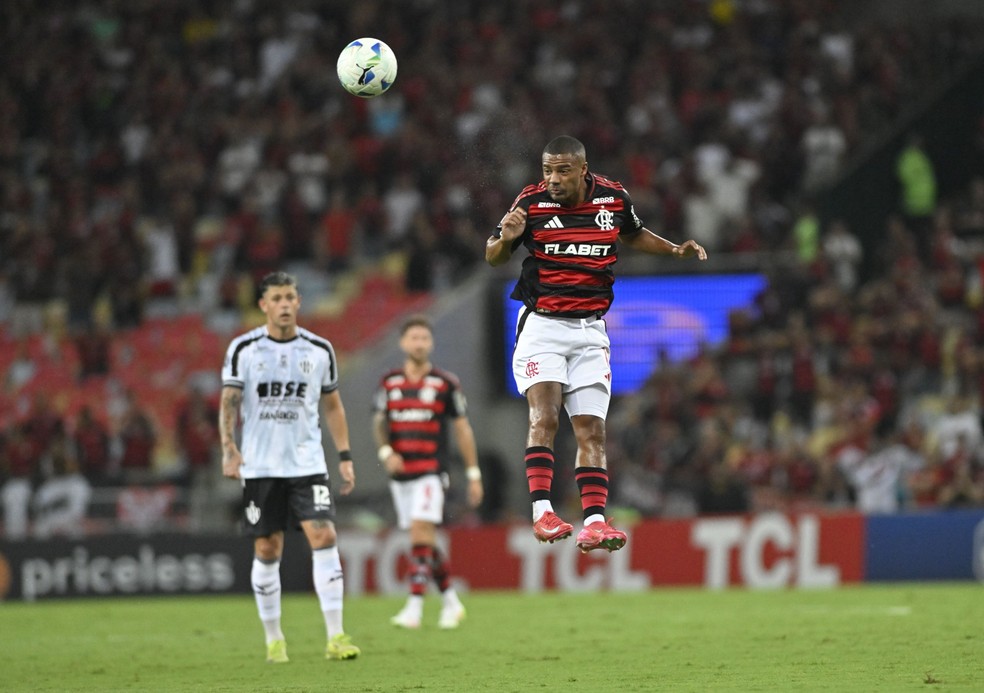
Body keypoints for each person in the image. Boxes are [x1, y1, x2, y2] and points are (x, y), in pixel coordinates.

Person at [485, 135, 707, 552]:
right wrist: (503, 240)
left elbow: (634, 233)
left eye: (562, 170)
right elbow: (494, 257)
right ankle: (542, 513)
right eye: (547, 170)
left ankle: (595, 522)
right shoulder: (529, 203)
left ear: (582, 170)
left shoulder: (612, 198)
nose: (552, 179)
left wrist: (675, 250)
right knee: (545, 417)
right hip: (543, 328)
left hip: (591, 330)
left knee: (593, 431)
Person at [219, 271, 360, 663]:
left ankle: (336, 636)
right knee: (268, 547)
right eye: (276, 298)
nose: (284, 304)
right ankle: (274, 638)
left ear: (298, 302)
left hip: (307, 462)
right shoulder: (243, 349)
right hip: (261, 466)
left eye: (289, 297)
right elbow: (229, 402)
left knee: (324, 535)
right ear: (263, 305)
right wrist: (229, 450)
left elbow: (332, 404)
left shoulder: (319, 350)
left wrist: (345, 455)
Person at [372, 314, 483, 629]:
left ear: (431, 343)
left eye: (424, 338)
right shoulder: (389, 382)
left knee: (421, 533)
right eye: (413, 338)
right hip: (401, 475)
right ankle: (450, 601)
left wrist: (473, 473)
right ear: (402, 343)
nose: (419, 343)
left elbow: (462, 429)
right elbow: (379, 422)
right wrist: (385, 451)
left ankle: (414, 607)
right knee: (424, 542)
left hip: (431, 472)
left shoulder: (445, 383)